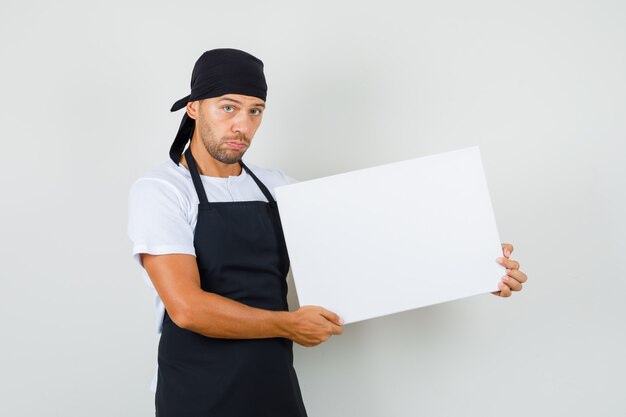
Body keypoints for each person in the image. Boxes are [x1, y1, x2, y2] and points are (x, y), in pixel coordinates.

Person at [127, 48, 527, 417]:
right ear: (195, 107)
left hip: (272, 381)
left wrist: (473, 264)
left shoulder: (278, 187)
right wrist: (289, 324)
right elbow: (188, 308)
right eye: (228, 107)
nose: (242, 125)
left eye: (255, 111)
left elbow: (372, 245)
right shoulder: (162, 190)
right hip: (197, 389)